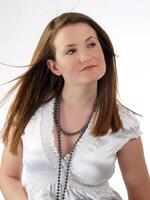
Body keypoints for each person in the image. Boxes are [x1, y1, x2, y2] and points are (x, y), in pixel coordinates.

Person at [0, 12, 150, 200]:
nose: (86, 57)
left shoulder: (123, 123)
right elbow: (8, 176)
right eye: (71, 51)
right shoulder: (28, 111)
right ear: (54, 66)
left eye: (91, 44)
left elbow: (140, 193)